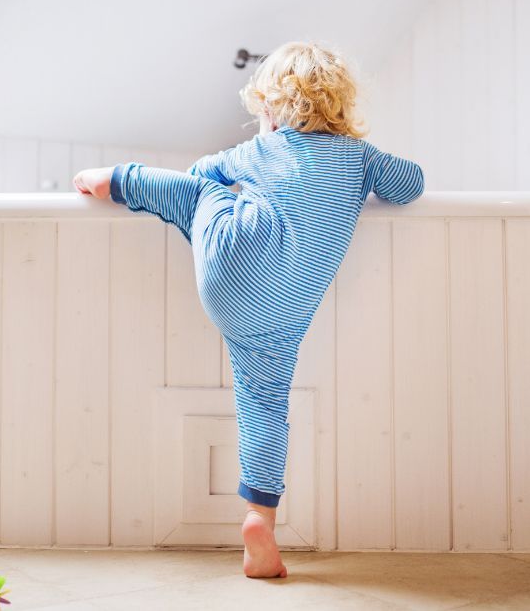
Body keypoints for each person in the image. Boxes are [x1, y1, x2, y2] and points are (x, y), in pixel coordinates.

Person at [73, 41, 425, 578]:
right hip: (283, 312)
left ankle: (118, 179)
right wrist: (363, 168)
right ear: (342, 108)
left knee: (194, 197)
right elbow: (412, 184)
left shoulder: (260, 152)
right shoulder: (359, 158)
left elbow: (200, 173)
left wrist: (257, 163)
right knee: (265, 402)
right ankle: (260, 516)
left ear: (270, 108)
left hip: (227, 276)